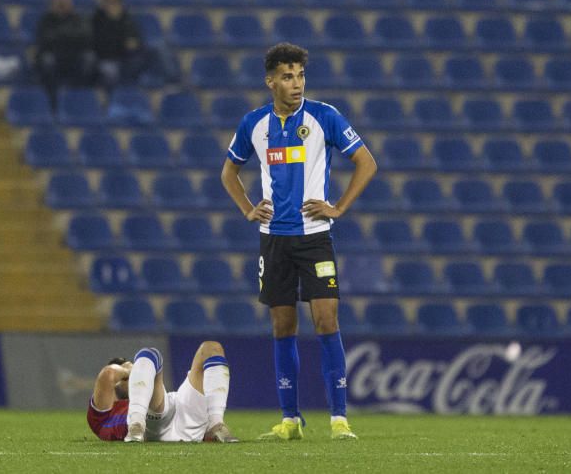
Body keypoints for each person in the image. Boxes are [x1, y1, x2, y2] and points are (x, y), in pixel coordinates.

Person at [220, 42, 378, 441]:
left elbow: (366, 162)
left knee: (327, 320)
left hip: (314, 238)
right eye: (288, 76)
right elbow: (228, 173)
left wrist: (338, 206)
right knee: (282, 325)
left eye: (301, 75)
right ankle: (291, 421)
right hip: (274, 241)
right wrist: (247, 208)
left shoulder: (325, 116)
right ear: (270, 80)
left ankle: (339, 420)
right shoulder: (254, 123)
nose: (296, 84)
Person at [87, 341, 239, 443]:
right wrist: (128, 369)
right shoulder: (103, 416)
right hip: (155, 423)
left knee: (212, 348)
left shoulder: (145, 390)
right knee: (149, 354)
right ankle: (136, 425)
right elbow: (108, 374)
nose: (134, 380)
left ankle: (216, 425)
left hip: (182, 412)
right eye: (128, 378)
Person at [34, 0, 95, 109]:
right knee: (47, 61)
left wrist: (61, 35)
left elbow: (86, 36)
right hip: (55, 56)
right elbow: (45, 39)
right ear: (53, 4)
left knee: (89, 59)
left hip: (74, 56)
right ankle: (53, 101)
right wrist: (69, 36)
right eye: (59, 2)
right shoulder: (46, 20)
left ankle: (78, 97)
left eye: (65, 2)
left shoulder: (79, 18)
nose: (62, 5)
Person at [91, 0, 145, 89]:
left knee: (153, 49)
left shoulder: (127, 19)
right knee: (111, 73)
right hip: (105, 59)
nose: (114, 5)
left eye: (116, 2)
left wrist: (134, 43)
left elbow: (135, 39)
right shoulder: (97, 19)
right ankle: (113, 100)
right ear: (104, 4)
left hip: (125, 58)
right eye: (110, 2)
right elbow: (101, 43)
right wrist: (114, 22)